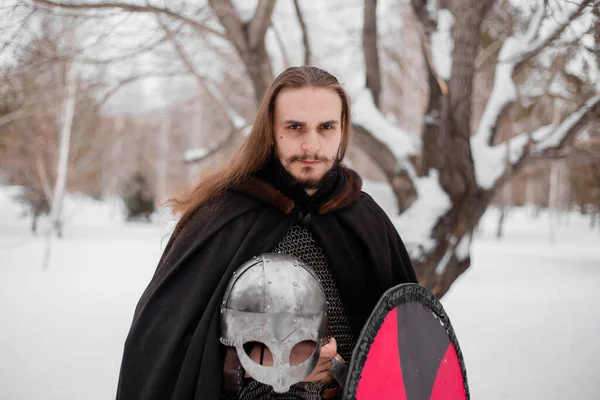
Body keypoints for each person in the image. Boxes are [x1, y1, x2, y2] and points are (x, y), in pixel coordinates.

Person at [116, 66, 418, 400]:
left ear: (342, 130)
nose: (311, 144)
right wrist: (254, 365)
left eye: (326, 127)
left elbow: (405, 363)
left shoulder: (366, 221)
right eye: (295, 127)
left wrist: (335, 373)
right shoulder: (221, 220)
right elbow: (169, 354)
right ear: (271, 130)